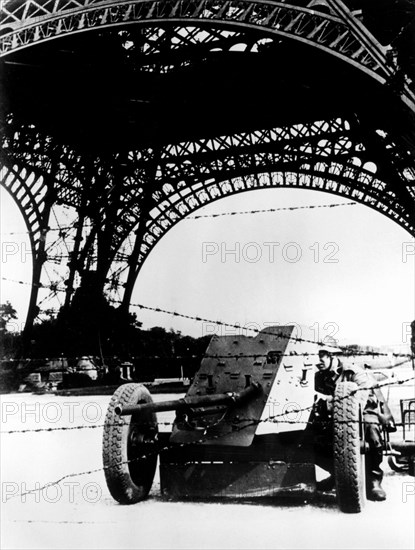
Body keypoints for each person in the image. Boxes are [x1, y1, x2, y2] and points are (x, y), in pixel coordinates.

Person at [313, 347, 389, 502]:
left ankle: (373, 481)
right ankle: (338, 475)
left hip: (364, 410)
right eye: (313, 358)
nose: (317, 363)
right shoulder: (318, 376)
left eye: (321, 358)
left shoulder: (353, 372)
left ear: (331, 356)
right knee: (315, 438)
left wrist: (329, 402)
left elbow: (360, 399)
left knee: (372, 433)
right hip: (334, 415)